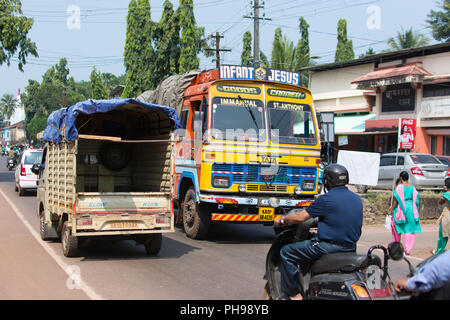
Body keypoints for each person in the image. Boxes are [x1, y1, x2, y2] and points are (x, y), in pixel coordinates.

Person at [276, 164, 363, 300]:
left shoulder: (326, 199)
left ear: (327, 181)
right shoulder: (356, 199)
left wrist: (283, 219)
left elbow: (300, 217)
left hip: (328, 247)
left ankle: (294, 294)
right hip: (351, 247)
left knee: (286, 252)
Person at [387, 171, 421, 255]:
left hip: (401, 209)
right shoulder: (412, 188)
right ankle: (408, 250)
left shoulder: (399, 187)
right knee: (409, 230)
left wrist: (391, 210)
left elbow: (395, 201)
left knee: (396, 229)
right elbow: (416, 198)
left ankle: (396, 248)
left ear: (401, 178)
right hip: (411, 210)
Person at [434, 178, 450, 254]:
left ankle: (439, 251)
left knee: (443, 235)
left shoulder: (446, 194)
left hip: (446, 216)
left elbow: (440, 202)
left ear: (446, 186)